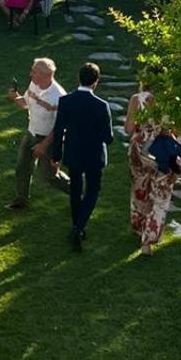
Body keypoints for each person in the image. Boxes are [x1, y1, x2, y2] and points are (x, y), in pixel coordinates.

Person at [49, 61, 114, 249]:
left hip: (74, 151)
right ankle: (78, 227)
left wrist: (56, 155)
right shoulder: (101, 106)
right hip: (94, 155)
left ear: (79, 78)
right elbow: (108, 138)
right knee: (92, 191)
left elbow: (59, 129)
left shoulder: (66, 101)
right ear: (96, 82)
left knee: (76, 190)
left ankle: (76, 225)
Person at [125, 86, 180, 255]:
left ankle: (139, 227)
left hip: (140, 151)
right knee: (161, 196)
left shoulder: (137, 99)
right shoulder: (173, 101)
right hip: (163, 152)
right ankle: (148, 240)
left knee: (140, 190)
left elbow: (128, 128)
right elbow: (177, 131)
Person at [6, 57, 64, 208]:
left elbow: (60, 127)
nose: (30, 74)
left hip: (47, 139)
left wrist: (43, 145)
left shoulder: (59, 97)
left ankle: (79, 192)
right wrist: (15, 97)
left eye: (34, 72)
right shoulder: (34, 84)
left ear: (45, 75)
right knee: (22, 167)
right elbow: (25, 103)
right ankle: (20, 200)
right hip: (31, 133)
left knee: (50, 176)